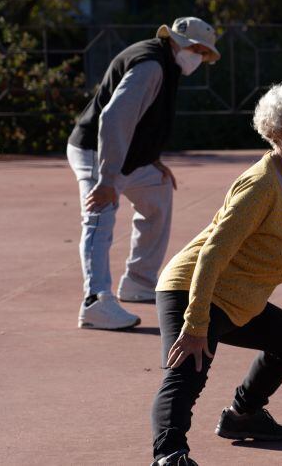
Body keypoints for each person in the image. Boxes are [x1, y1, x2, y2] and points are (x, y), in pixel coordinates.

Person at [149, 74, 282, 465]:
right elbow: (212, 254)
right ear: (277, 128)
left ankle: (243, 415)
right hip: (193, 286)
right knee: (190, 366)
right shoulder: (259, 184)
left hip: (240, 300)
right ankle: (169, 455)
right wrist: (196, 323)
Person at [67, 17, 220, 330]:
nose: (201, 58)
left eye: (205, 54)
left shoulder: (167, 63)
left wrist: (152, 159)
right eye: (199, 51)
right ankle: (95, 301)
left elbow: (145, 118)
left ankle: (138, 281)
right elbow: (113, 120)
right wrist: (107, 180)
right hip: (98, 152)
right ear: (180, 43)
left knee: (158, 193)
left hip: (131, 159)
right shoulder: (151, 65)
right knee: (100, 214)